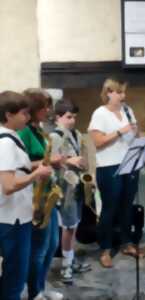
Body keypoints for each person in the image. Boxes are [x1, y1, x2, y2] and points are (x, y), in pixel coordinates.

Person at [0, 91, 51, 300]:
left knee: (15, 275)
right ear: (8, 115)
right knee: (14, 278)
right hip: (12, 219)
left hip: (17, 215)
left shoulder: (10, 138)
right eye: (23, 113)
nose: (27, 117)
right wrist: (36, 175)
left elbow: (16, 171)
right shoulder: (5, 143)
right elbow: (8, 185)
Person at [88, 78, 142, 268]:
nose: (123, 96)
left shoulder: (128, 110)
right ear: (109, 92)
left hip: (130, 164)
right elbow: (98, 142)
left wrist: (136, 134)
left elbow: (135, 135)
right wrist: (121, 131)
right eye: (119, 92)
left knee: (127, 206)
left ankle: (127, 243)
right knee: (109, 209)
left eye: (124, 92)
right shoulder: (100, 113)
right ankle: (105, 249)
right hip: (109, 166)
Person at [18, 88, 64, 300]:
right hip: (34, 194)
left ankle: (41, 287)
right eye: (45, 107)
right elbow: (20, 163)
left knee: (52, 245)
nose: (48, 110)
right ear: (34, 108)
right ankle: (35, 293)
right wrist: (47, 162)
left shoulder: (39, 130)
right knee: (39, 249)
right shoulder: (24, 132)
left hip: (48, 192)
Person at [50, 99, 91, 284]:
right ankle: (66, 265)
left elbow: (80, 155)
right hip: (65, 186)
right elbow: (51, 160)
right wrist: (69, 161)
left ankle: (71, 259)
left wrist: (83, 163)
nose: (72, 120)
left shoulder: (76, 134)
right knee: (68, 227)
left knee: (74, 225)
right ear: (57, 117)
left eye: (74, 117)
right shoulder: (55, 136)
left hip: (77, 184)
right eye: (68, 117)